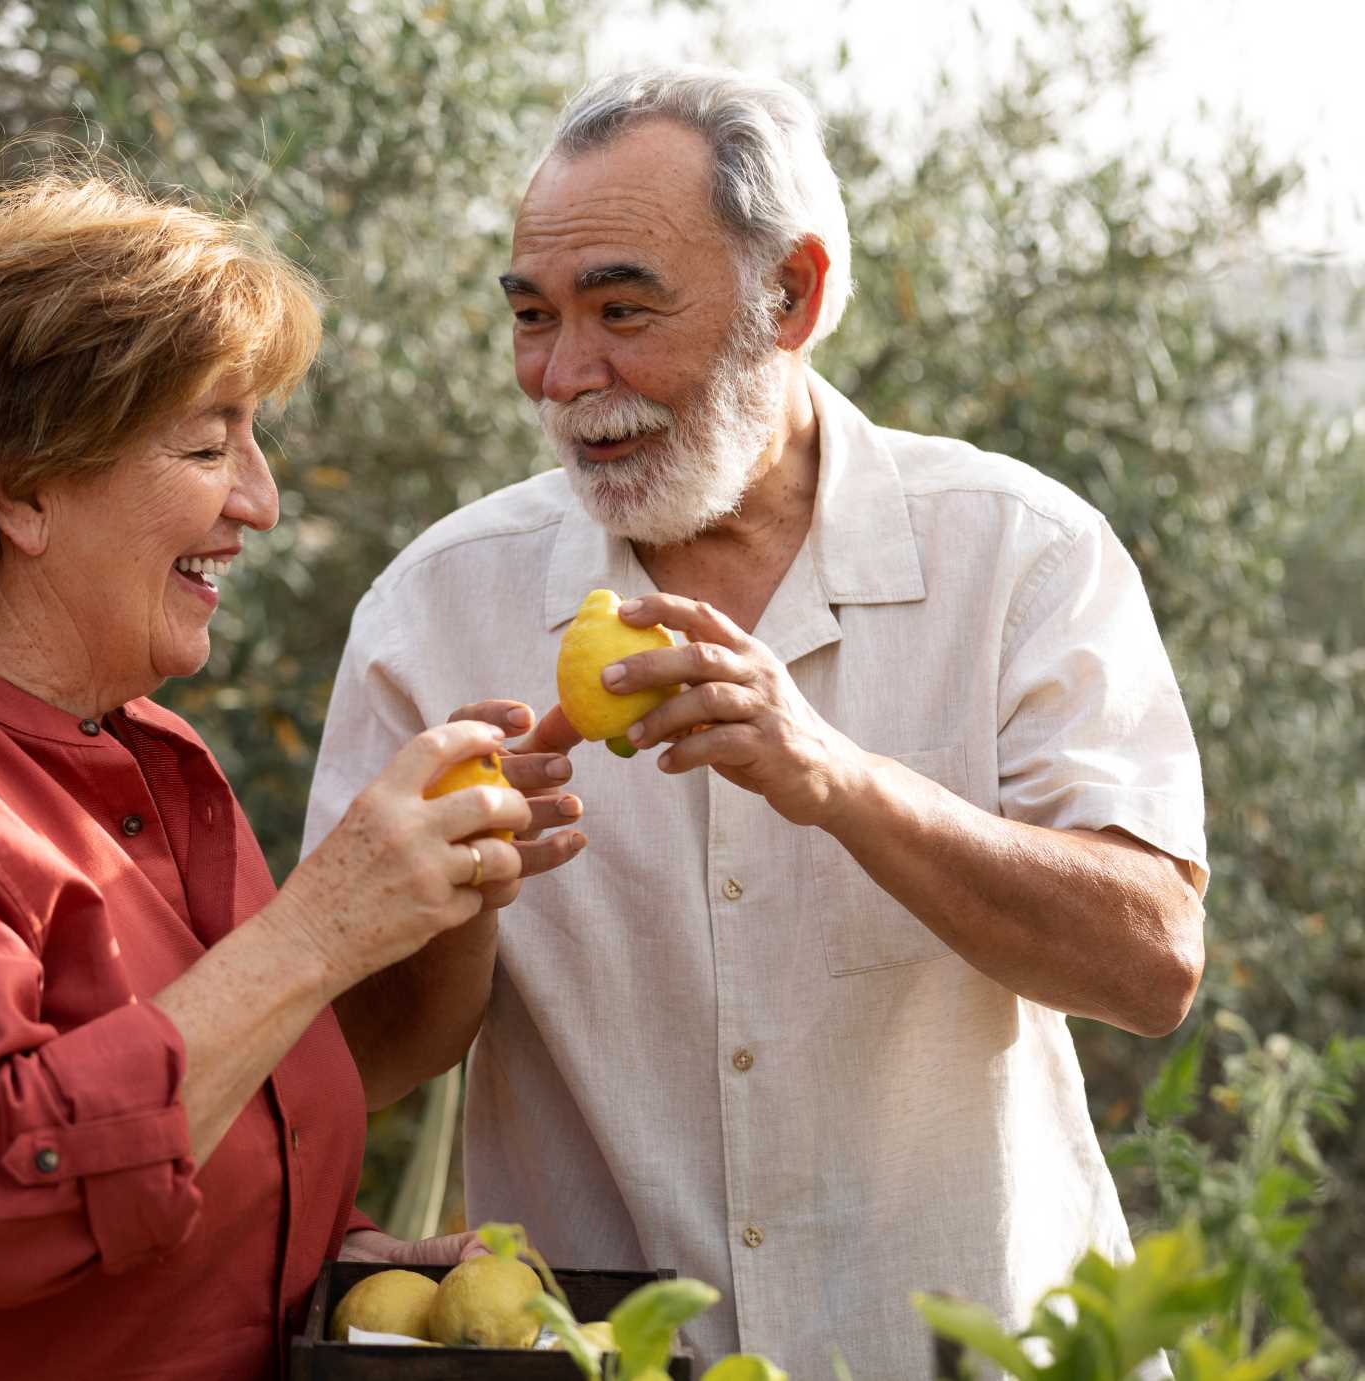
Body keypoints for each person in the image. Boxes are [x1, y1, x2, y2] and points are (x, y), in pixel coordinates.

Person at [305, 67, 1207, 1377]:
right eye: (532, 317)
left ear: (796, 295)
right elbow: (366, 1064)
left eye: (623, 309)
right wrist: (455, 889)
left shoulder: (1023, 557)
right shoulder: (433, 611)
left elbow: (1153, 962)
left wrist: (835, 779)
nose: (567, 376)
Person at [0, 166, 585, 1379]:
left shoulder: (143, 749)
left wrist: (449, 881)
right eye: (206, 445)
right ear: (22, 486)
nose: (262, 501)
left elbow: (272, 1087)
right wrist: (319, 925)